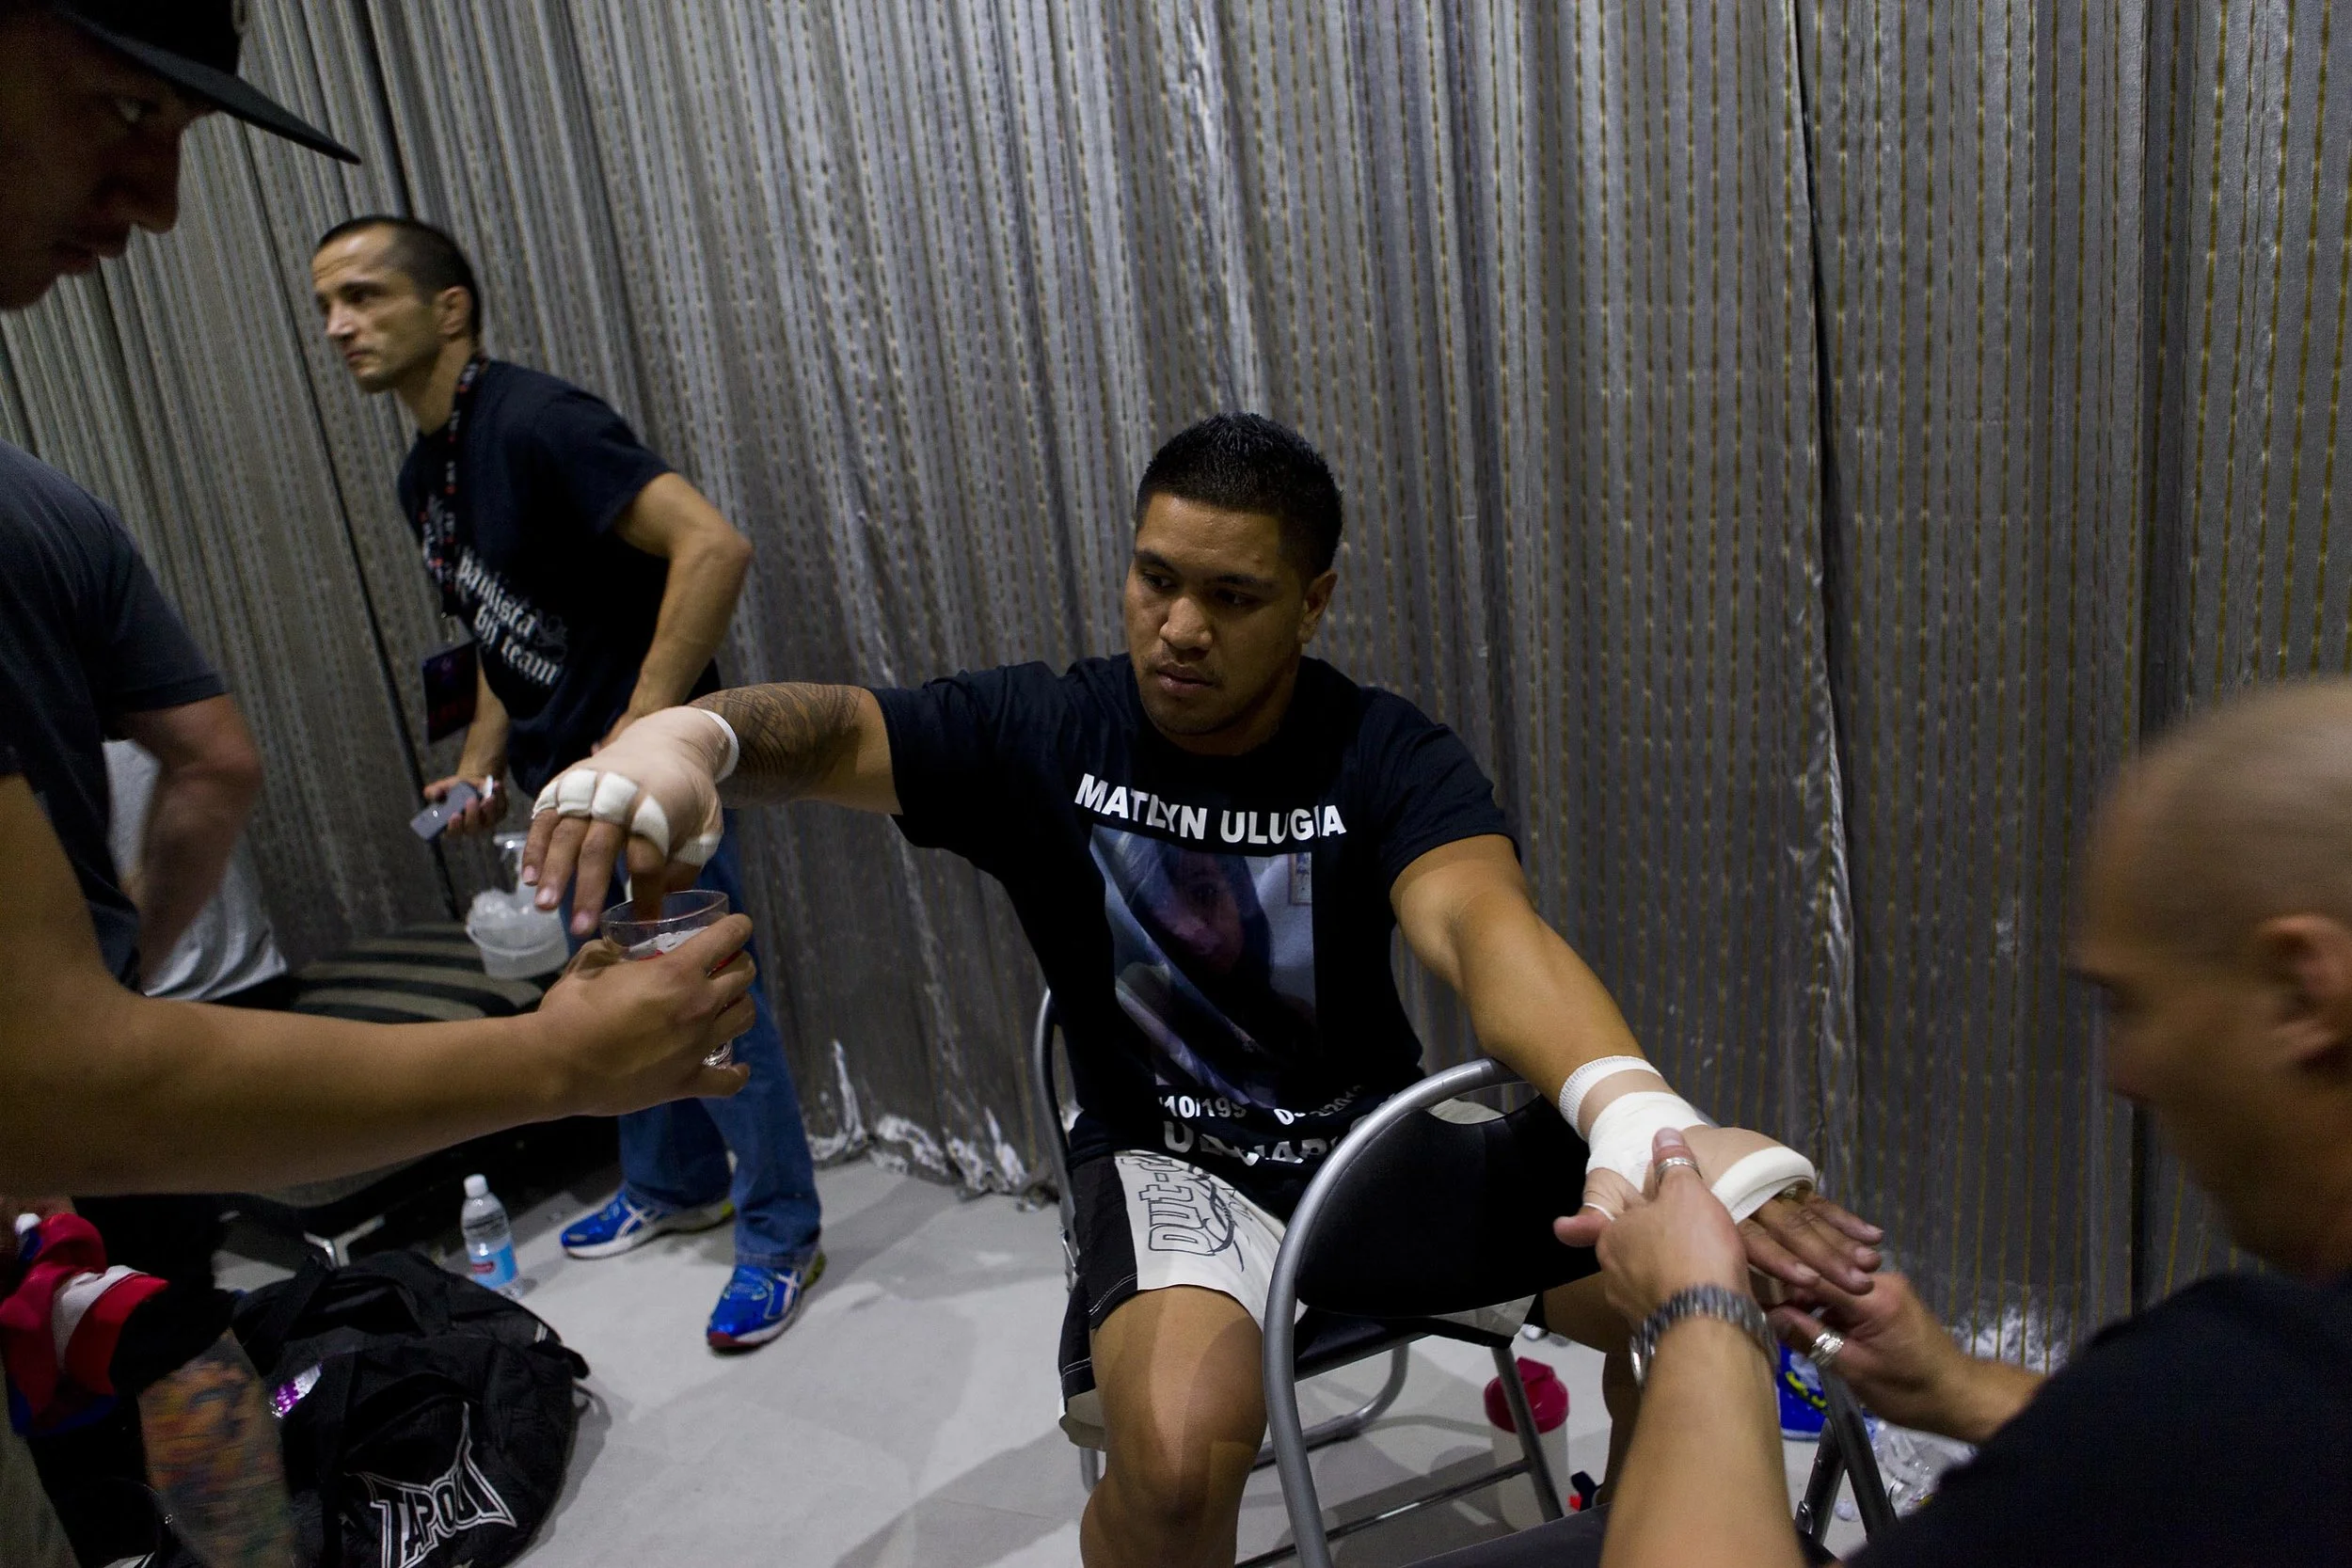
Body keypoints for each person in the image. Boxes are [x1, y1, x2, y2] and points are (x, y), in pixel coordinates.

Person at [523, 412, 1885, 1567]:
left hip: (1370, 1151)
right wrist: (687, 737)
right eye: (1153, 577)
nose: (1177, 628)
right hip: (1176, 1167)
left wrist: (1640, 1116)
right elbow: (839, 729)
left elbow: (1482, 929)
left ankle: (1632, 1524)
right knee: (1174, 1468)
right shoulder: (1047, 727)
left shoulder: (1383, 749)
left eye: (1231, 596)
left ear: (1313, 599)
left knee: (1724, 1274)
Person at [1557, 679, 2352, 1568]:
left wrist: (1696, 1316)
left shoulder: (2250, 1387)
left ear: (2299, 990)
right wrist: (1961, 1387)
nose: (2122, 1073)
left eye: (2132, 1003)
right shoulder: (2225, 1419)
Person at [309, 215, 827, 1350]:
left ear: (449, 307)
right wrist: (483, 762)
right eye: (326, 307)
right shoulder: (423, 474)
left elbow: (712, 546)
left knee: (703, 988)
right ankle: (674, 1179)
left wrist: (640, 731)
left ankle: (782, 1231)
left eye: (364, 295)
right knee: (614, 980)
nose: (340, 325)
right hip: (562, 780)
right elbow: (504, 629)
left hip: (643, 785)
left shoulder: (540, 421)